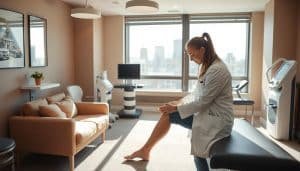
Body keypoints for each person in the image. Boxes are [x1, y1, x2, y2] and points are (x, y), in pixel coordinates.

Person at [124, 32, 234, 171]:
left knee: (197, 150)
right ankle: (145, 150)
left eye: (192, 54)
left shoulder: (217, 70)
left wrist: (175, 109)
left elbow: (202, 102)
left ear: (202, 50)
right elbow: (196, 93)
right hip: (207, 115)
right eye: (188, 55)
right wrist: (177, 102)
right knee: (197, 151)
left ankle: (145, 150)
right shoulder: (206, 67)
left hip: (216, 121)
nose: (190, 59)